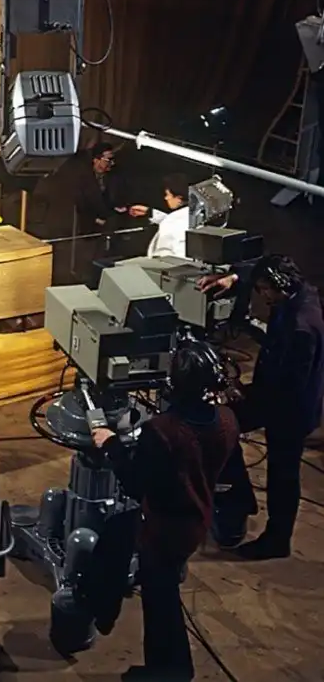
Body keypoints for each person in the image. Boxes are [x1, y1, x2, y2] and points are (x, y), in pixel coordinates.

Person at [91, 340, 241, 681]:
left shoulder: (162, 431)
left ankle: (167, 671)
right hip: (197, 518)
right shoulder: (228, 420)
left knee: (160, 604)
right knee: (145, 571)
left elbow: (135, 483)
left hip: (163, 529)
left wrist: (111, 444)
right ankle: (112, 618)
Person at [198, 254, 324, 559]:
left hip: (289, 412)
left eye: (264, 289)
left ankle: (276, 540)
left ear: (278, 285)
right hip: (279, 399)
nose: (262, 296)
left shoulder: (301, 328)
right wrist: (234, 277)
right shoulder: (300, 293)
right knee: (223, 426)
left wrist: (241, 392)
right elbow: (264, 264)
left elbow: (288, 386)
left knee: (283, 476)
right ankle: (239, 500)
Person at [132, 173, 191, 259]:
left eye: (168, 194)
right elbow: (173, 221)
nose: (166, 198)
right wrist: (150, 212)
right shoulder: (192, 215)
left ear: (179, 198)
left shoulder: (171, 222)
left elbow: (164, 253)